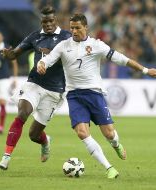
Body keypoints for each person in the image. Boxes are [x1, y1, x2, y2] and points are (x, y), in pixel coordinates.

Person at [37, 13, 156, 179]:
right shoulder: (63, 46)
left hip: (94, 94)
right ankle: (109, 168)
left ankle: (116, 144)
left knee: (109, 134)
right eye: (72, 28)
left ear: (86, 27)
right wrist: (41, 64)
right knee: (82, 133)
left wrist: (145, 70)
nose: (74, 31)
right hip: (74, 95)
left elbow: (121, 59)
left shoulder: (96, 45)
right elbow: (48, 59)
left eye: (77, 28)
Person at [0, 5, 71, 170]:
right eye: (45, 22)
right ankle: (5, 158)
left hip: (55, 90)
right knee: (22, 113)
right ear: (41, 21)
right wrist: (10, 55)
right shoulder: (35, 37)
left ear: (55, 20)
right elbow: (15, 53)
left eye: (51, 21)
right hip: (34, 83)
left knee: (33, 135)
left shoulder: (67, 37)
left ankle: (45, 141)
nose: (48, 24)